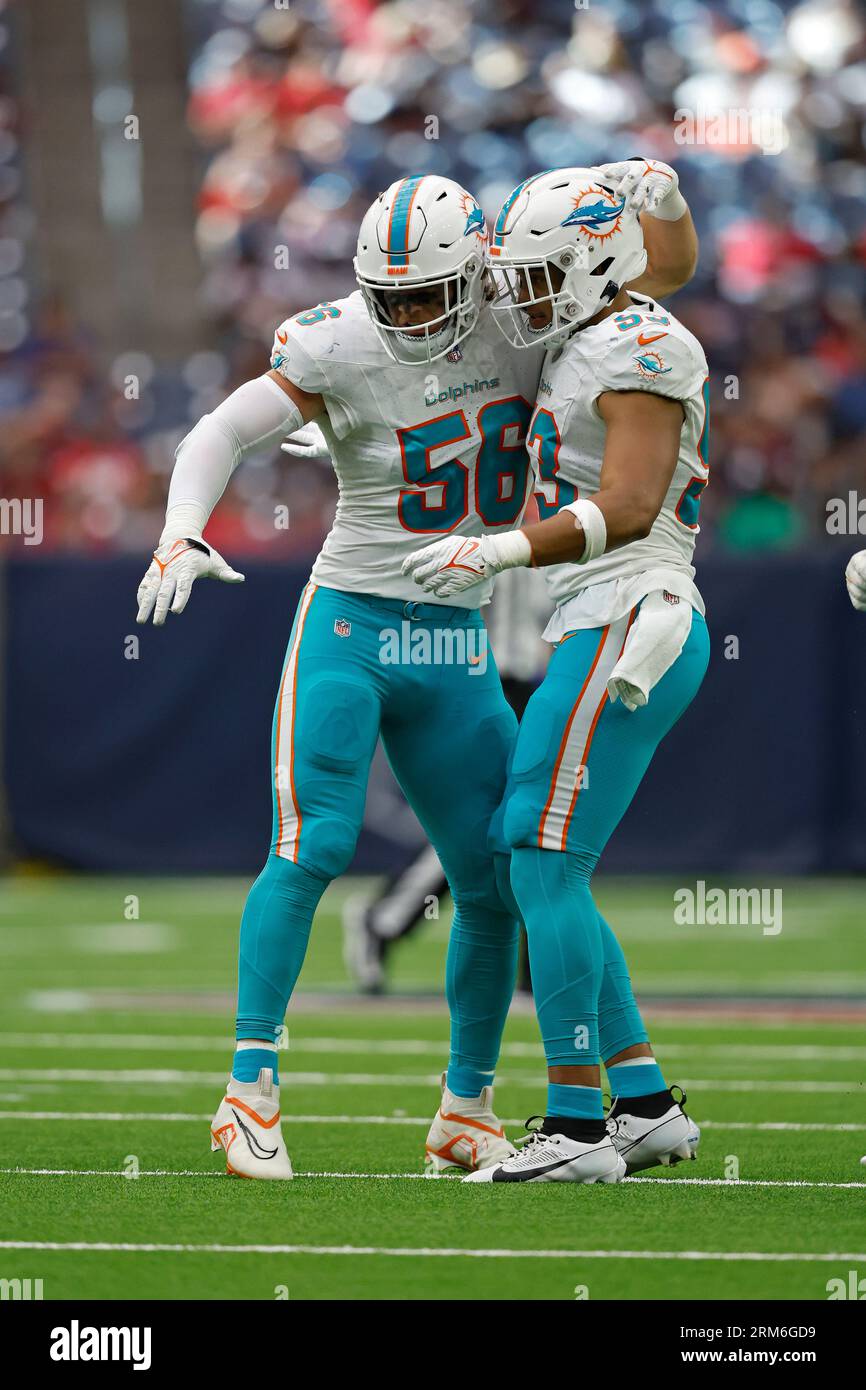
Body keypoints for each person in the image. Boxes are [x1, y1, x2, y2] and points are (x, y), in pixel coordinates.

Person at [136, 164, 698, 1181]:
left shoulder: (521, 303)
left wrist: (656, 199)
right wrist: (179, 531)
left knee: (492, 877)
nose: (406, 317)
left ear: (480, 269)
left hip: (456, 634)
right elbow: (220, 427)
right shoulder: (337, 337)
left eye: (426, 293)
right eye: (386, 296)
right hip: (352, 620)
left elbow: (643, 279)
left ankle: (465, 1107)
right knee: (313, 844)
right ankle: (248, 1089)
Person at [404, 166, 709, 1184]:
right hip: (599, 615)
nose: (524, 296)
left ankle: (578, 1127)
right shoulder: (597, 327)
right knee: (537, 857)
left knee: (537, 856)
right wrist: (659, 201)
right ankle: (643, 1102)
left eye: (542, 276)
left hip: (628, 612)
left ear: (593, 265)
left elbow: (624, 504)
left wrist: (497, 551)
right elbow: (665, 256)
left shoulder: (638, 345)